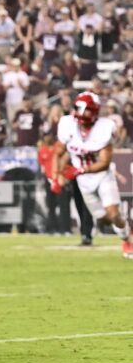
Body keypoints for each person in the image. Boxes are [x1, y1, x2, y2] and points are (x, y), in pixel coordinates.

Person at [52, 91, 132, 257]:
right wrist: (55, 176)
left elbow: (104, 163)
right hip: (83, 182)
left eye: (86, 110)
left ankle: (127, 237)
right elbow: (57, 152)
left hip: (102, 176)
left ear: (94, 111)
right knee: (103, 219)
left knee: (113, 213)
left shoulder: (104, 127)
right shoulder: (67, 125)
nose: (82, 114)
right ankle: (124, 232)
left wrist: (81, 170)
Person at [37, 133, 71, 235]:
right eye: (45, 136)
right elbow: (42, 166)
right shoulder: (42, 150)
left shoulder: (59, 147)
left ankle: (65, 229)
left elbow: (66, 160)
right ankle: (52, 228)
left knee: (64, 205)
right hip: (49, 180)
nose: (47, 138)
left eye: (49, 135)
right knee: (51, 206)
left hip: (60, 179)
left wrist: (65, 176)